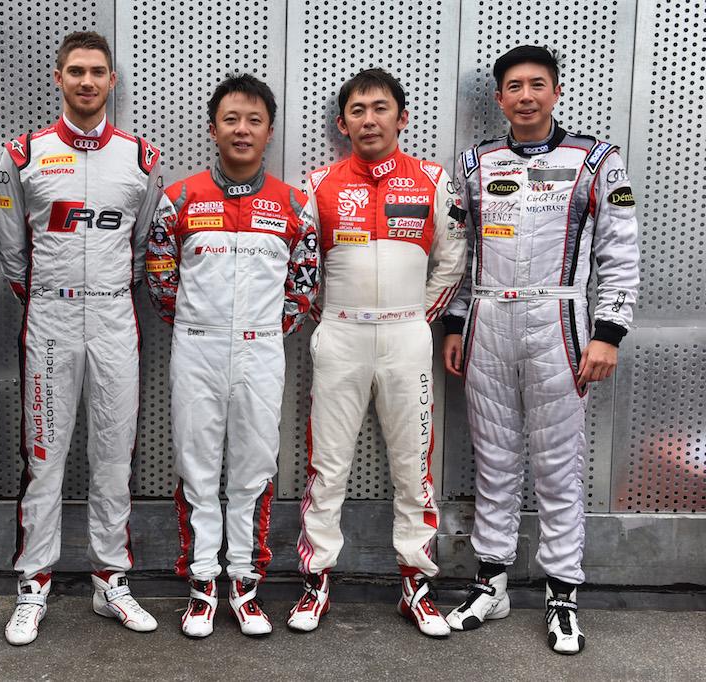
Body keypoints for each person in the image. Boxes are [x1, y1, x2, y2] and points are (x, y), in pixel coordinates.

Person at [441, 45, 639, 655]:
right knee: (493, 458)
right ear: (499, 98)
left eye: (537, 85)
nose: (525, 96)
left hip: (561, 321)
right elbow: (460, 253)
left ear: (555, 91)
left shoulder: (596, 160)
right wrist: (455, 323)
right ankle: (491, 583)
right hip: (487, 320)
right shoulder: (474, 163)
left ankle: (562, 594)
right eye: (514, 87)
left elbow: (620, 252)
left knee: (558, 464)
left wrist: (608, 332)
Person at [288, 69, 467, 638]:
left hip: (406, 336)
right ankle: (316, 580)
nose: (370, 119)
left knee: (414, 467)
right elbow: (302, 266)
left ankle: (416, 583)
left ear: (402, 117)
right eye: (358, 110)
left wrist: (416, 317)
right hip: (340, 335)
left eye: (380, 108)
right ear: (343, 124)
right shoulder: (318, 183)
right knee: (327, 466)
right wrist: (330, 316)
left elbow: (453, 260)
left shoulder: (433, 180)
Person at [0, 31, 162, 645]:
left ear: (112, 81)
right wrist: (48, 296)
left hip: (116, 317)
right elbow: (12, 253)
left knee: (113, 458)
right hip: (50, 318)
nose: (87, 82)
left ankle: (110, 581)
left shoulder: (141, 158)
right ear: (59, 78)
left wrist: (107, 293)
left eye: (97, 72)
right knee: (44, 458)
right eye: (76, 72)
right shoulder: (25, 155)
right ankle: (33, 585)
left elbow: (143, 248)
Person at [146, 74, 319, 638]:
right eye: (231, 120)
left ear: (268, 131)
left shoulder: (294, 205)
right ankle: (201, 586)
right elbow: (160, 276)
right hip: (195, 347)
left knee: (254, 469)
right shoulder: (180, 198)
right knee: (196, 469)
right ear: (213, 128)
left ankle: (245, 584)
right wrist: (198, 327)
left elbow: (304, 284)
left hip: (261, 350)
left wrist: (262, 332)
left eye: (254, 121)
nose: (242, 130)